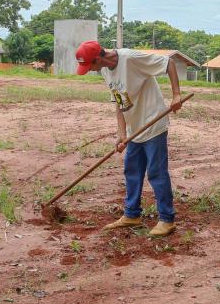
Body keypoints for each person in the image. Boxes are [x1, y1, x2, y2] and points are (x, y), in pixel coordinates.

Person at [75, 41, 183, 236]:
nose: (89, 70)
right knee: (132, 170)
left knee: (156, 172)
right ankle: (132, 215)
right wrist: (122, 133)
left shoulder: (131, 58)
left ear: (98, 58)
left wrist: (176, 95)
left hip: (153, 123)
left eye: (89, 65)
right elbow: (119, 101)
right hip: (135, 129)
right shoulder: (105, 70)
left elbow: (169, 63)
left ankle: (167, 220)